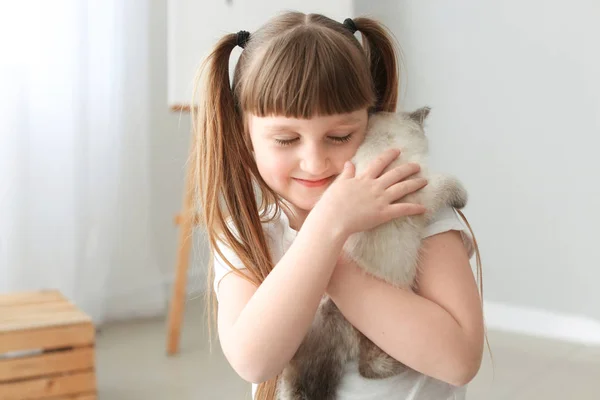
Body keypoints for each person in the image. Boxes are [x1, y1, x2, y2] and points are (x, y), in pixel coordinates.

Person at [192, 10, 486, 400]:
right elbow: (253, 360)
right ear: (245, 136)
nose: (315, 162)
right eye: (285, 139)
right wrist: (325, 231)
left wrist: (335, 260)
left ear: (370, 119)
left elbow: (459, 360)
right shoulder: (248, 232)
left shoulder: (413, 207)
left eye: (339, 135)